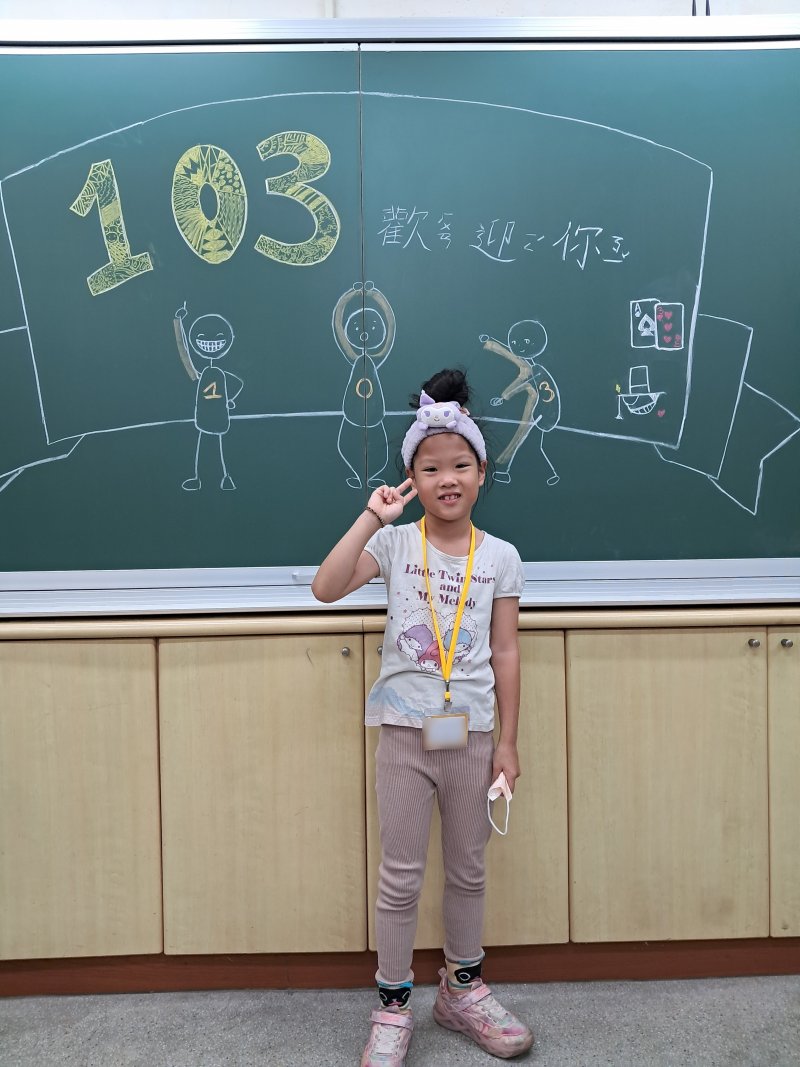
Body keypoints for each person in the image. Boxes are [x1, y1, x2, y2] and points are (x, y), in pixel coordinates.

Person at [312, 368, 534, 1065]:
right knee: (400, 876)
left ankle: (461, 991)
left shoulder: (500, 557)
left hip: (472, 737)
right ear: (411, 476)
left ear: (482, 472)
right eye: (430, 468)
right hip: (406, 737)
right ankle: (392, 1004)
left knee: (468, 870)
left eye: (460, 465)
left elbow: (506, 651)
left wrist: (508, 743)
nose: (447, 479)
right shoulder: (395, 544)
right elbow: (325, 588)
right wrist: (371, 517)